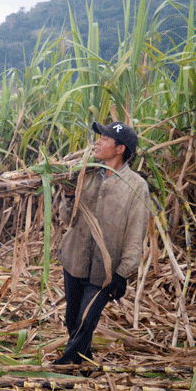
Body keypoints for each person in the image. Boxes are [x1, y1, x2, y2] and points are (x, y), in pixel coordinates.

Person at [54, 121, 150, 365]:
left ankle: (67, 365)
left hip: (104, 269)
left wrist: (122, 273)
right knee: (72, 317)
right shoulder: (85, 173)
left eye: (105, 139)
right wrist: (67, 195)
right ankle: (83, 362)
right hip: (74, 258)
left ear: (120, 149)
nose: (97, 142)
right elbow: (68, 219)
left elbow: (135, 234)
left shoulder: (135, 186)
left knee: (86, 320)